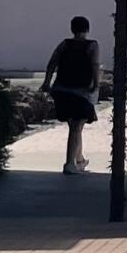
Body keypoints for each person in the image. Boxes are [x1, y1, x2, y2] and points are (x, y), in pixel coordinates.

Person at [42, 16, 100, 174]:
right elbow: (95, 65)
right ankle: (69, 163)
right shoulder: (92, 46)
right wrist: (96, 84)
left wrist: (47, 82)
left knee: (76, 126)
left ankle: (79, 159)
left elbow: (52, 62)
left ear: (72, 29)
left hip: (61, 90)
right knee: (76, 126)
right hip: (80, 91)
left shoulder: (64, 44)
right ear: (87, 29)